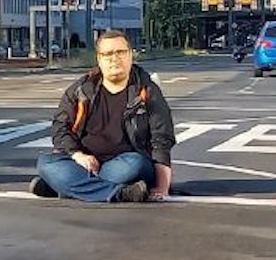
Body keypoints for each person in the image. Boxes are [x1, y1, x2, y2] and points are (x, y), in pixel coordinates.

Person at [31, 29, 176, 203]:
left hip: (126, 161)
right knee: (46, 163)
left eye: (120, 52)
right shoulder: (80, 90)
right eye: (107, 54)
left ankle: (65, 186)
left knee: (132, 165)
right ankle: (119, 193)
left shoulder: (147, 91)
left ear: (131, 55)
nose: (114, 58)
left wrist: (162, 187)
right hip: (85, 163)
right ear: (99, 59)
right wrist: (77, 155)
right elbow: (60, 129)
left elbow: (161, 140)